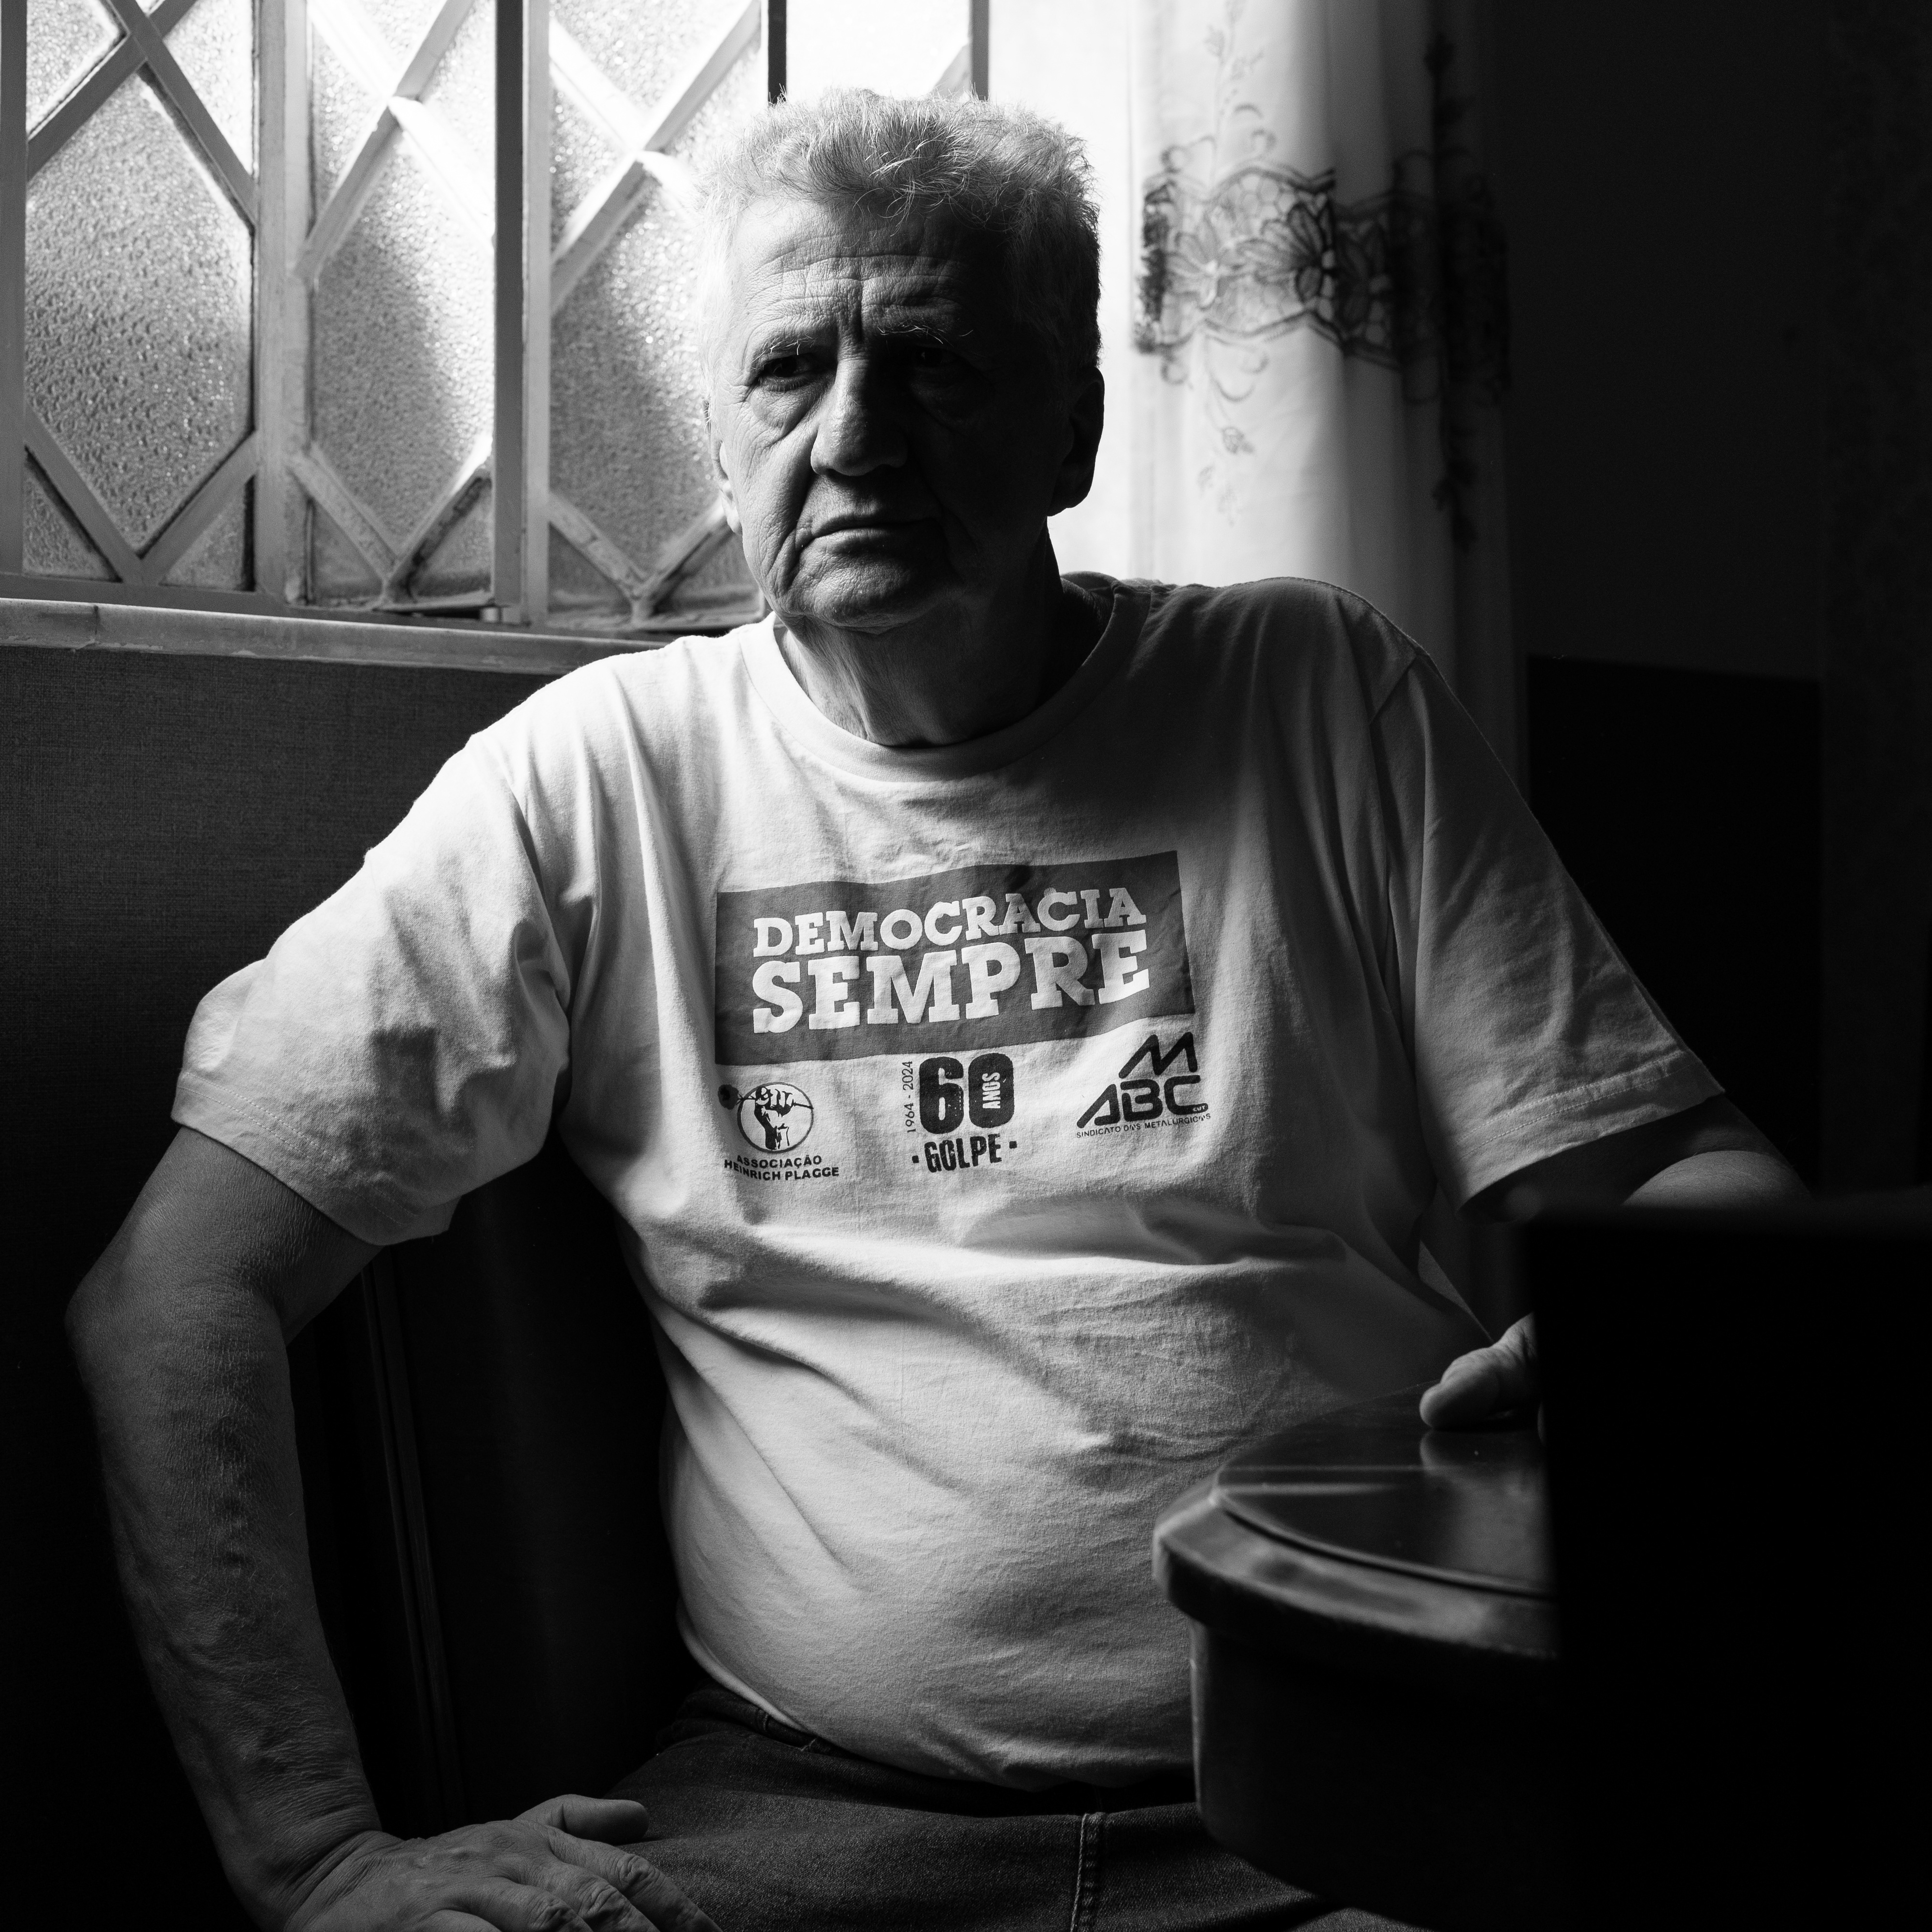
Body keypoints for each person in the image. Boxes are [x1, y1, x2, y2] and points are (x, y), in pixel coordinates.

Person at [68, 90, 1804, 1932]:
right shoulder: (594, 779)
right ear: (721, 434)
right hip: (809, 1810)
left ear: (1074, 428)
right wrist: (318, 1858)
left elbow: (1699, 1185)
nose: (853, 435)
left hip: (1350, 1772)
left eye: (936, 363)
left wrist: (1638, 1346)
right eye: (786, 369)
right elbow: (173, 1296)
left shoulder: (1311, 689)